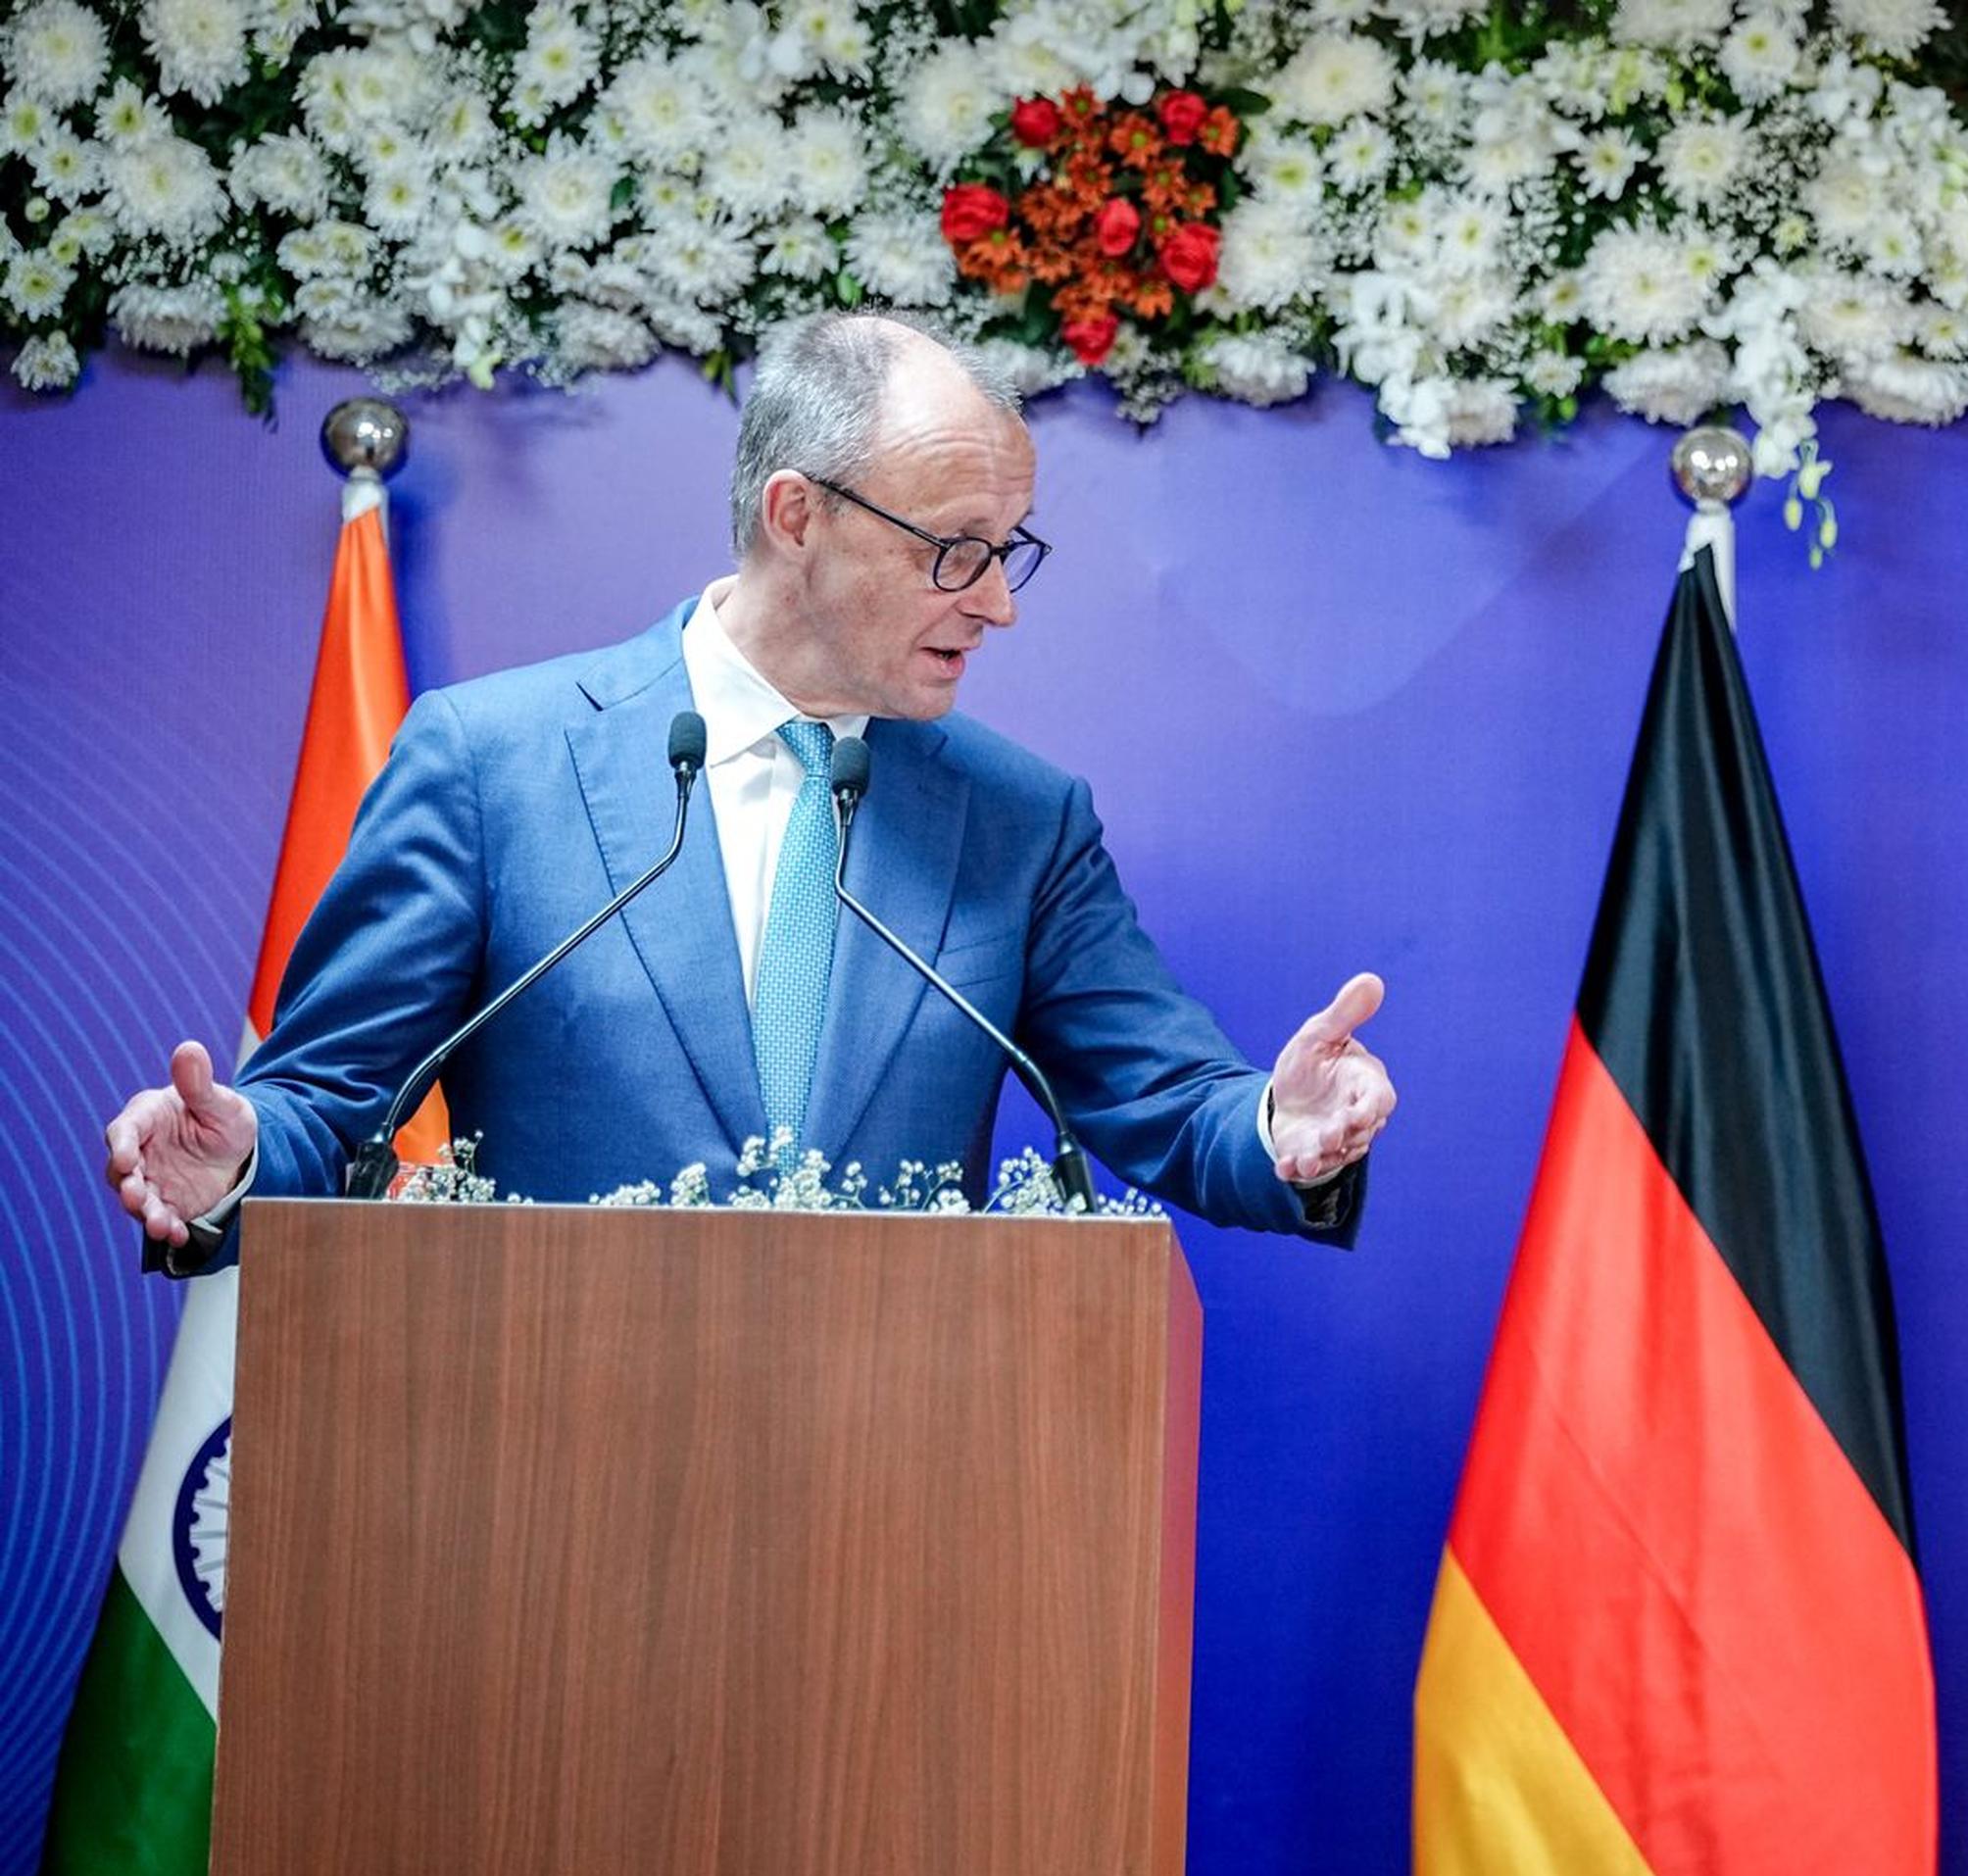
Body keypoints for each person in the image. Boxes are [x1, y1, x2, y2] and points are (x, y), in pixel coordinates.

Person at [101, 308, 1392, 1261]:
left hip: (891, 1508)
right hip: (536, 1484)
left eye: (1010, 553)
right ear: (797, 515)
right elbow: (327, 1098)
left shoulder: (1020, 820)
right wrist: (234, 1159)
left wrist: (1285, 1120)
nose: (997, 603)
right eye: (956, 551)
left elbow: (1174, 1104)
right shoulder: (493, 764)